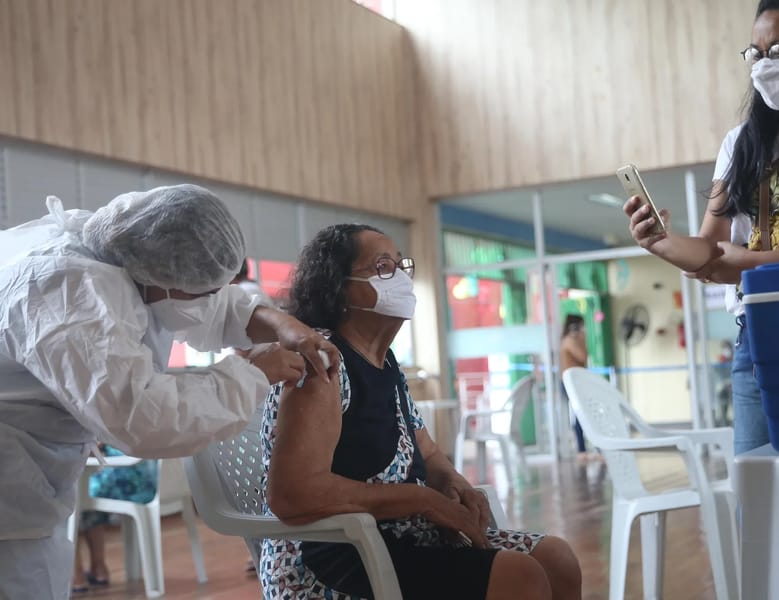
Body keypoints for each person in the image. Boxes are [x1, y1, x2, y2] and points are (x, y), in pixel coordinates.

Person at [0, 184, 338, 599]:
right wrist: (250, 373)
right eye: (204, 291)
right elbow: (142, 416)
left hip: (27, 486)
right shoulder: (68, 291)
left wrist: (277, 322)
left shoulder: (127, 255)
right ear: (161, 276)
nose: (213, 299)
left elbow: (212, 300)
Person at [260, 224, 582, 599]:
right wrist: (423, 500)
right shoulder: (322, 363)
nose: (399, 277)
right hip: (330, 553)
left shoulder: (386, 361)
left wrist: (451, 482)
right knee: (519, 577)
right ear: (339, 288)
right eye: (382, 267)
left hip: (401, 534)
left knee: (556, 558)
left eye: (401, 265)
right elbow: (293, 494)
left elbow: (426, 451)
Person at [624, 0, 779, 455]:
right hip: (757, 339)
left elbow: (731, 261)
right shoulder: (741, 142)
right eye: (756, 53)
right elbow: (710, 251)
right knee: (759, 497)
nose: (765, 65)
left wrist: (748, 264)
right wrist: (661, 244)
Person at [71, 445, 157, 593]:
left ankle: (76, 574)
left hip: (124, 475)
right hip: (150, 478)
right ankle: (99, 567)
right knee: (86, 491)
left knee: (75, 498)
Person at [559, 314, 590, 461]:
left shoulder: (572, 340)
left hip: (576, 383)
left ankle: (584, 449)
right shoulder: (570, 341)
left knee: (582, 415)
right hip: (570, 384)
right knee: (579, 415)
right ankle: (581, 449)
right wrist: (582, 338)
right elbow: (583, 356)